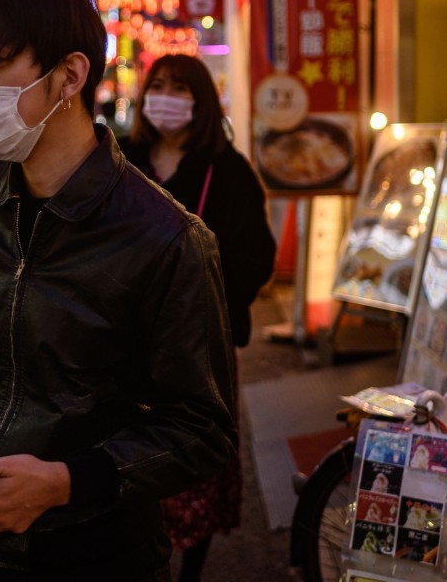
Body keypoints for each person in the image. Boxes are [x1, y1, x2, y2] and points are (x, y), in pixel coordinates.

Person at [0, 0, 237, 582]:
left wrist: (66, 483)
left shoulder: (166, 237)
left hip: (92, 556)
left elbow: (202, 428)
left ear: (71, 76)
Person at [118, 54, 276, 582]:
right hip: (119, 338)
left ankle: (191, 572)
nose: (164, 96)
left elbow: (257, 256)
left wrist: (207, 299)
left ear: (201, 100)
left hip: (200, 343)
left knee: (194, 459)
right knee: (125, 452)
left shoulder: (229, 171)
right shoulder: (118, 158)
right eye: (157, 85)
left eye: (179, 88)